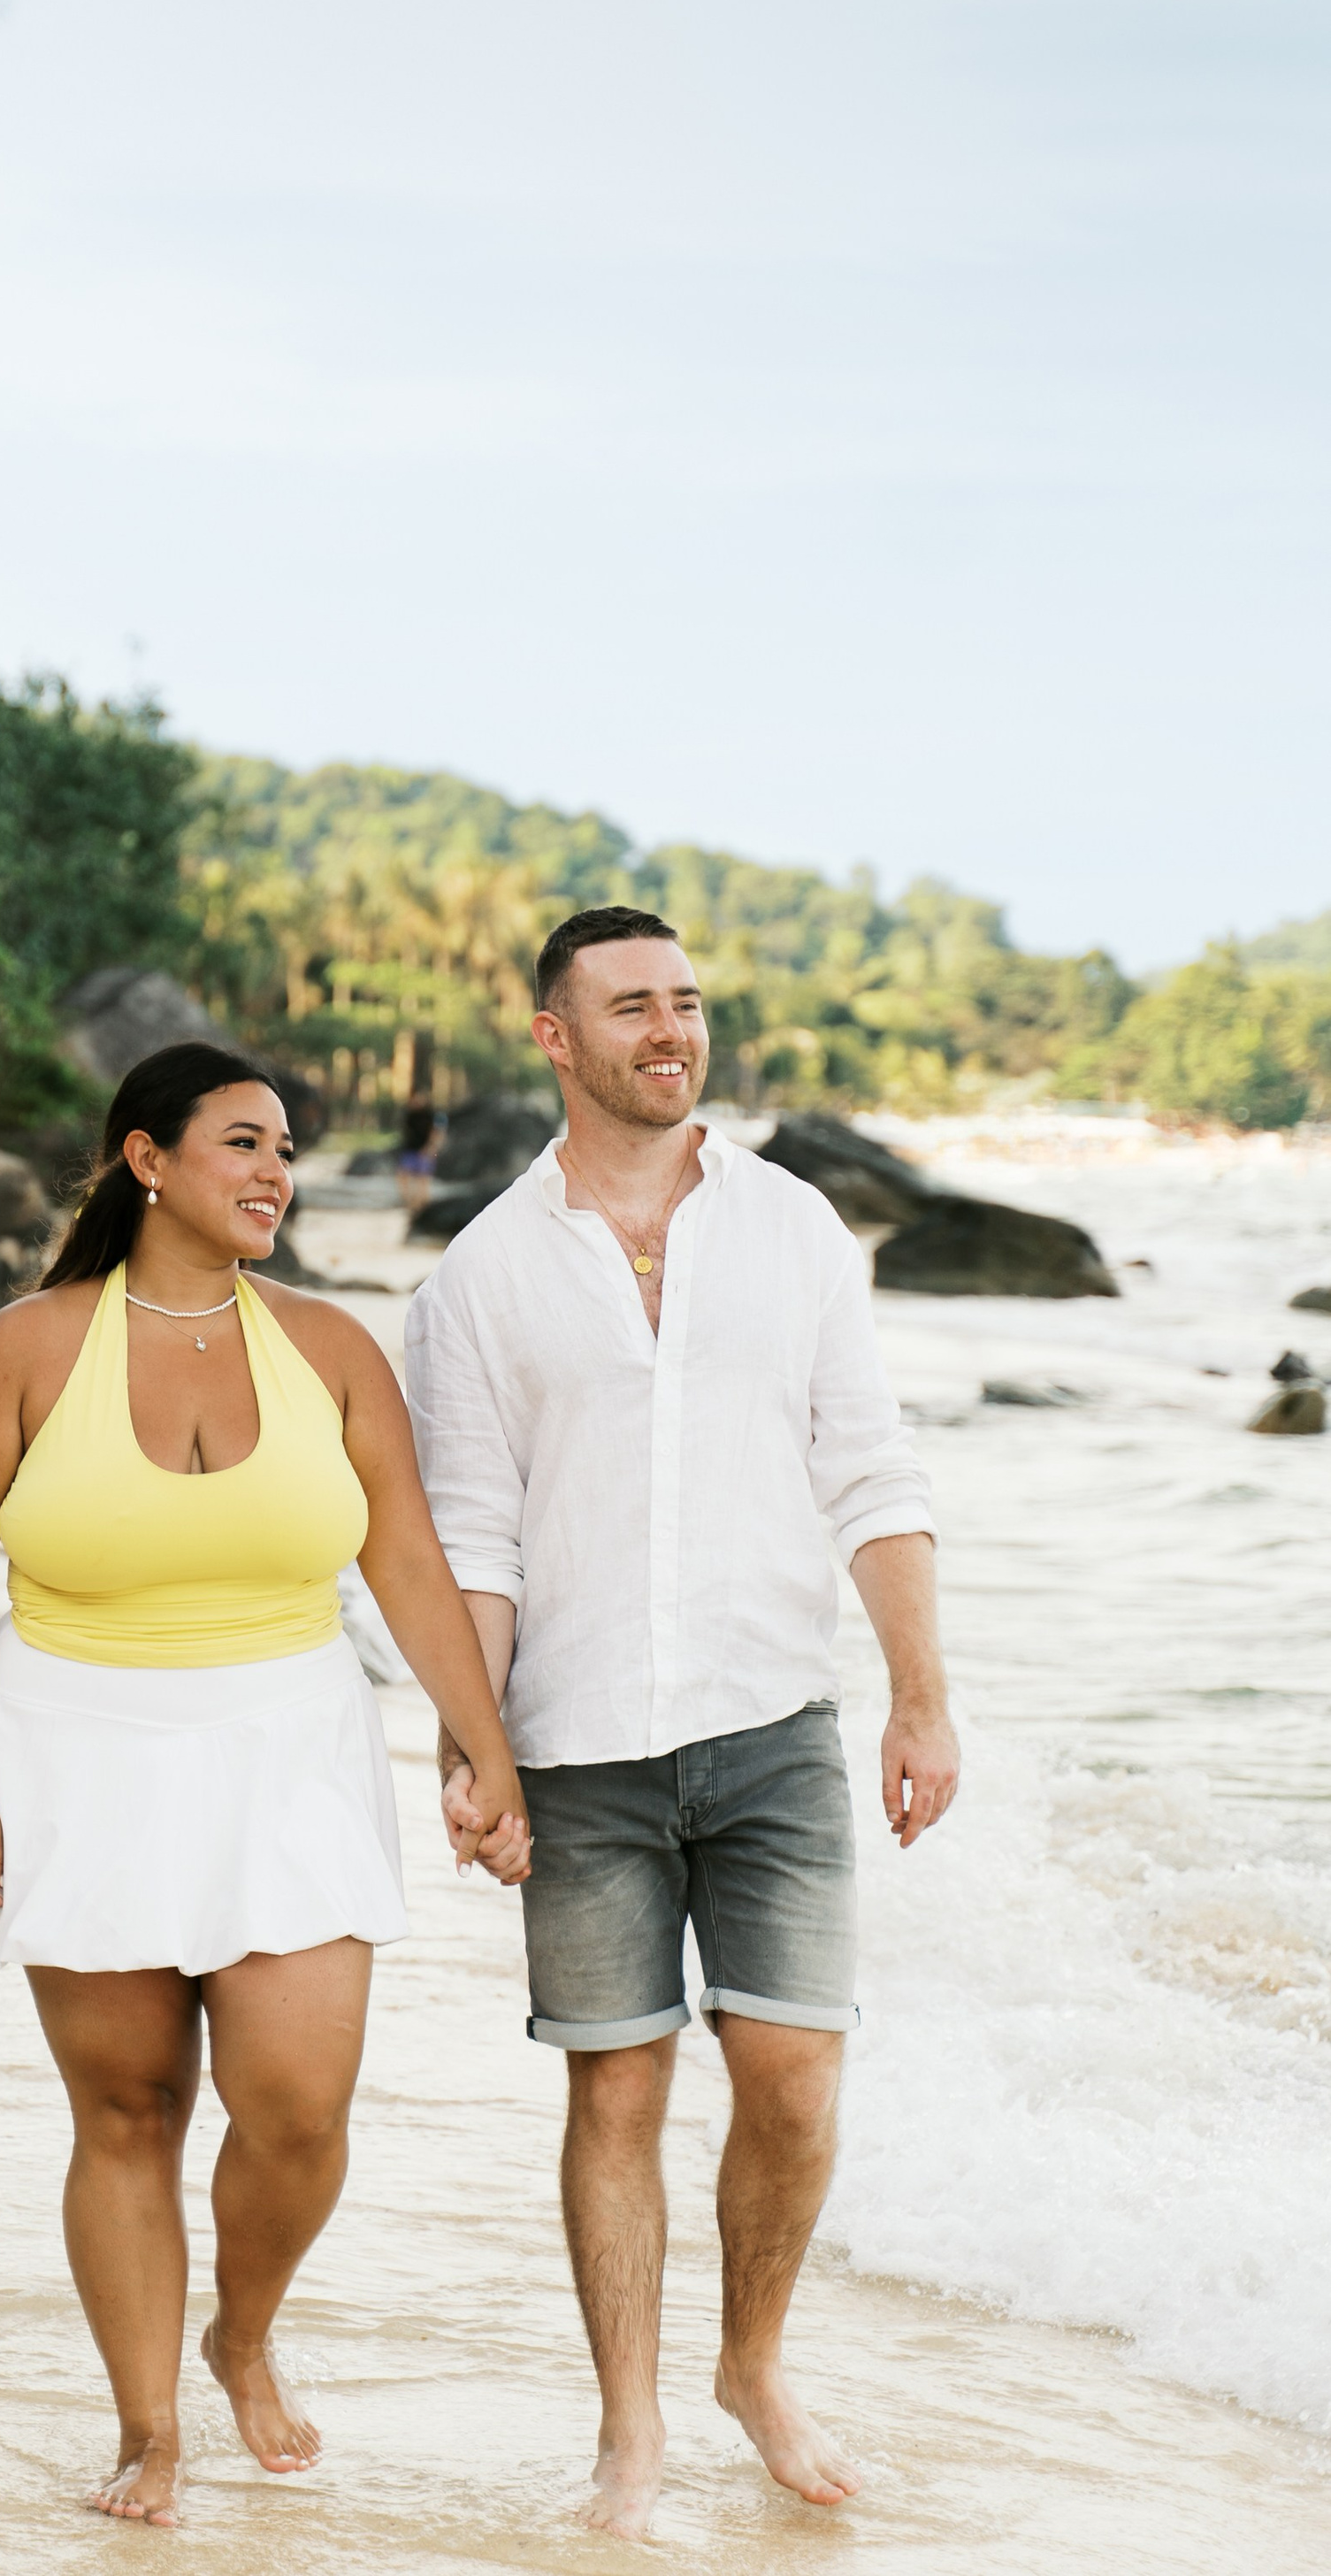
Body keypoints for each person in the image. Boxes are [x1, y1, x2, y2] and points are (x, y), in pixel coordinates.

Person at [0, 1040, 532, 2530]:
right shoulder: (28, 1348)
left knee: (299, 2105)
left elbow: (406, 1564)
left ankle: (241, 2333)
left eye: (287, 1151)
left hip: (288, 1743)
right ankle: (149, 2431)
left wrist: (486, 1748)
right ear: (148, 1160)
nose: (276, 1173)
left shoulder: (326, 1348)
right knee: (127, 2107)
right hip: (71, 1742)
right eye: (245, 1143)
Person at [405, 906, 959, 2541]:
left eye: (689, 1003)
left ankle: (753, 2365)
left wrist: (921, 1697)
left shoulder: (795, 1232)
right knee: (617, 2098)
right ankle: (631, 2435)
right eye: (632, 1005)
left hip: (773, 1719)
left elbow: (873, 1472)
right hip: (579, 1745)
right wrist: (474, 1749)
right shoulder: (482, 1276)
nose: (671, 1029)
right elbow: (472, 1540)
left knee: (794, 2079)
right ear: (554, 1036)